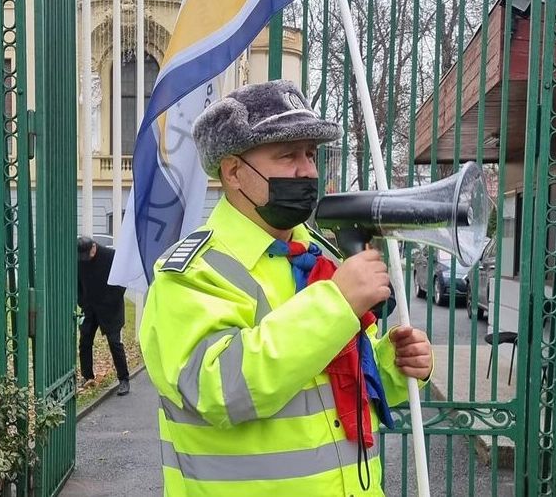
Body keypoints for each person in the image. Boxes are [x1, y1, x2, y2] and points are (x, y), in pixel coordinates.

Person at [139, 80, 433, 497]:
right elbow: (219, 391)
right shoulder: (190, 274)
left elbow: (339, 383)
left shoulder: (322, 258)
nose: (308, 171)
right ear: (234, 172)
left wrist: (393, 363)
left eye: (311, 154)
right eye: (287, 155)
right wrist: (337, 304)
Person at [78, 237, 131, 396]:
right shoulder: (80, 258)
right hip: (89, 307)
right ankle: (87, 376)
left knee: (115, 343)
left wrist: (111, 300)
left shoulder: (111, 256)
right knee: (85, 341)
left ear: (94, 247)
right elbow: (77, 282)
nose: (86, 259)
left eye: (89, 255)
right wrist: (82, 301)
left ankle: (124, 379)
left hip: (111, 308)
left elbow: (122, 282)